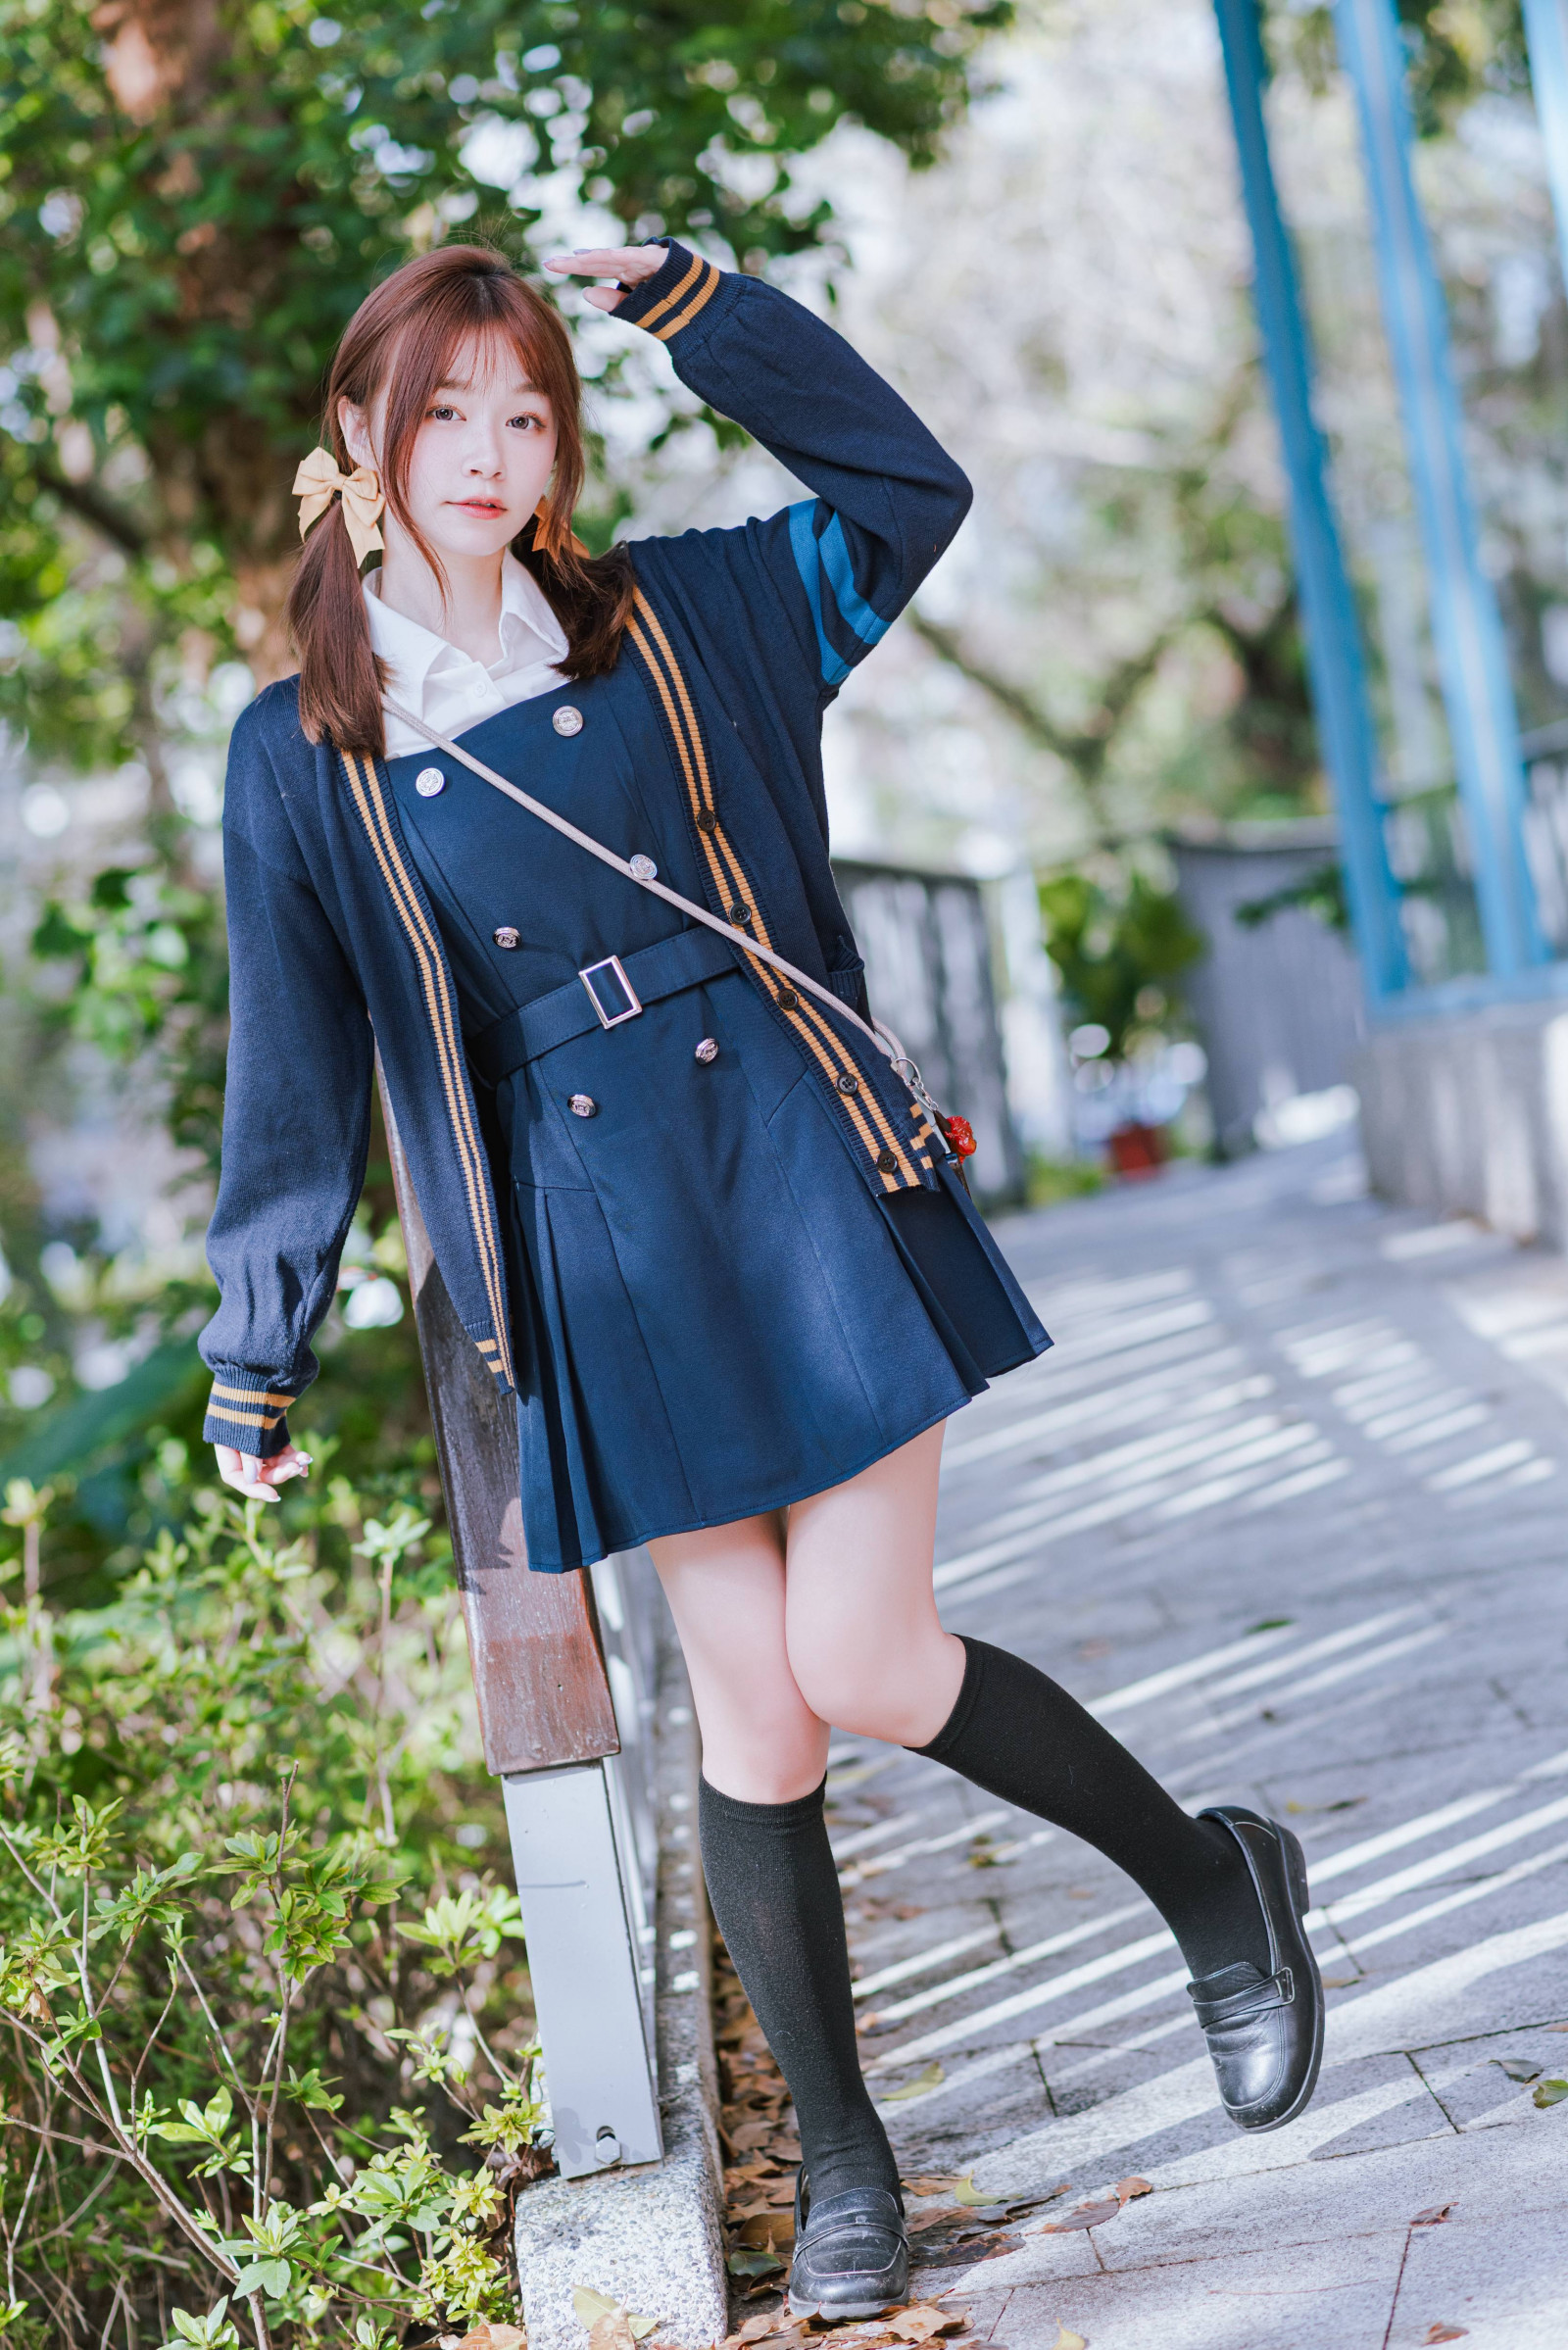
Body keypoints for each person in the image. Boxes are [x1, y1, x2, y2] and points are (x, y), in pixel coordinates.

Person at [201, 239, 1324, 2318]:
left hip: (791, 1162)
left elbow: (907, 494)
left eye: (522, 408)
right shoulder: (305, 750)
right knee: (755, 1710)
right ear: (355, 433)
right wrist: (254, 1348)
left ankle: (1212, 1882)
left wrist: (699, 308)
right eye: (440, 407)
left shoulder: (685, 614)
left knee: (866, 1654)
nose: (487, 446)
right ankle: (840, 2160)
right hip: (592, 1234)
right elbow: (298, 1070)